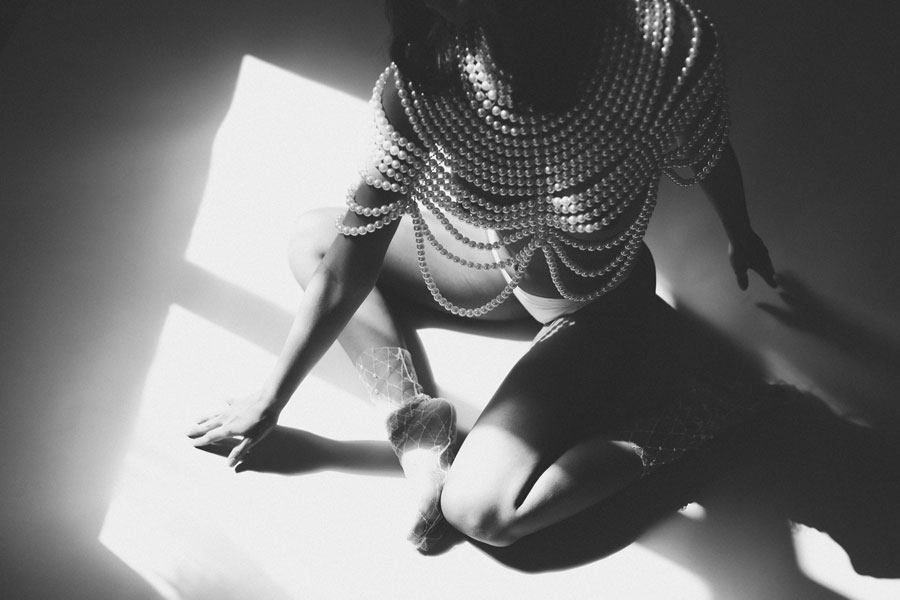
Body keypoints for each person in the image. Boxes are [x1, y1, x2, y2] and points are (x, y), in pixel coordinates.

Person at [188, 0, 782, 554]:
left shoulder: (656, 44)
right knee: (314, 239)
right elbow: (350, 258)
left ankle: (705, 417)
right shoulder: (427, 78)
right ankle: (414, 425)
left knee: (482, 512)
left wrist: (739, 228)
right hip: (500, 267)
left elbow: (706, 144)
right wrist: (270, 399)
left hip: (597, 303)